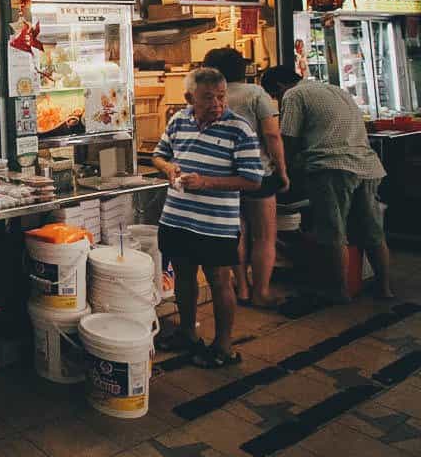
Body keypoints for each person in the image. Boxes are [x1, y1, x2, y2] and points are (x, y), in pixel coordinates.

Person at [151, 67, 263, 368]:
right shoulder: (178, 121)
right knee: (183, 277)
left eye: (221, 96)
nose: (216, 103)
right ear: (190, 98)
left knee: (218, 280)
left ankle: (223, 346)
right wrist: (169, 169)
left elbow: (253, 180)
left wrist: (207, 182)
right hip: (177, 217)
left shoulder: (239, 129)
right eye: (208, 97)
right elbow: (159, 154)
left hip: (215, 224)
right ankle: (188, 333)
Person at [260, 66, 392, 301]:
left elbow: (288, 139)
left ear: (280, 87)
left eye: (274, 95)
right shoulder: (334, 89)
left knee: (333, 231)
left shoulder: (293, 95)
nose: (277, 99)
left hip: (332, 168)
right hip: (367, 165)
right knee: (372, 231)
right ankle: (384, 288)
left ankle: (339, 291)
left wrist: (280, 171)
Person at [203, 48, 289, 309]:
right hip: (257, 173)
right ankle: (261, 291)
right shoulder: (255, 94)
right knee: (264, 236)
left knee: (235, 233)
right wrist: (282, 171)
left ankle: (240, 287)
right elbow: (272, 136)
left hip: (223, 176)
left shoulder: (209, 97)